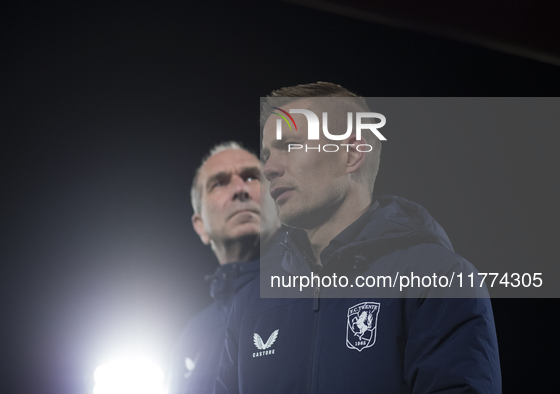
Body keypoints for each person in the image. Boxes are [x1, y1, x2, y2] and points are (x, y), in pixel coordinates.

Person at [215, 82, 502, 393]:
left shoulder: (439, 278)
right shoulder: (249, 304)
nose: (268, 168)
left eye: (291, 146)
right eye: (268, 153)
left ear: (352, 153)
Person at [168, 142, 281, 394]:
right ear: (200, 226)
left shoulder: (317, 296)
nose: (240, 189)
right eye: (219, 183)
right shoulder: (190, 337)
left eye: (252, 177)